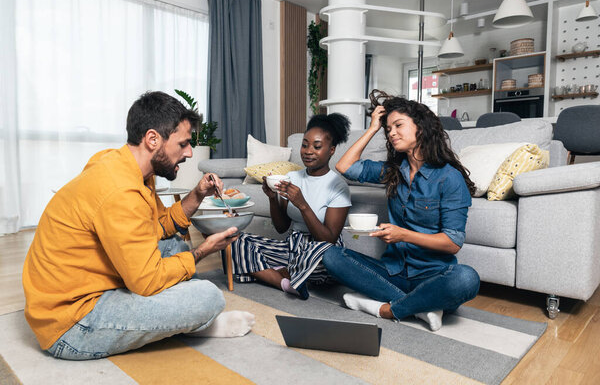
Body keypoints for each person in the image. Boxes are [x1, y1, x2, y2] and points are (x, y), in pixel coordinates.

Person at [22, 91, 255, 360]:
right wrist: (203, 251)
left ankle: (175, 320)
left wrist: (198, 193)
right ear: (153, 139)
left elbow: (160, 226)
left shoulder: (126, 165)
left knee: (174, 245)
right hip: (71, 323)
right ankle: (191, 325)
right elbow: (147, 281)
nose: (190, 153)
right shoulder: (121, 191)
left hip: (90, 284)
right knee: (208, 297)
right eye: (183, 144)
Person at [322, 90, 480, 331]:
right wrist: (373, 127)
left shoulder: (449, 178)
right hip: (393, 271)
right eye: (388, 128)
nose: (392, 132)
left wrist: (402, 234)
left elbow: (452, 242)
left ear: (421, 127)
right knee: (330, 255)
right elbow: (345, 166)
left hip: (432, 275)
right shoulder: (394, 171)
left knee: (467, 279)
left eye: (398, 125)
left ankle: (386, 308)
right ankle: (422, 307)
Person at [231, 113, 352, 299]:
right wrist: (272, 198)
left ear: (332, 150)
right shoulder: (293, 178)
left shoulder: (338, 186)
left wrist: (303, 205)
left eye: (317, 146)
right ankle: (285, 282)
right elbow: (281, 228)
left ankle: (276, 270)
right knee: (234, 240)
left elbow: (328, 240)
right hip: (291, 247)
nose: (308, 151)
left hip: (319, 252)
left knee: (323, 253)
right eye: (304, 145)